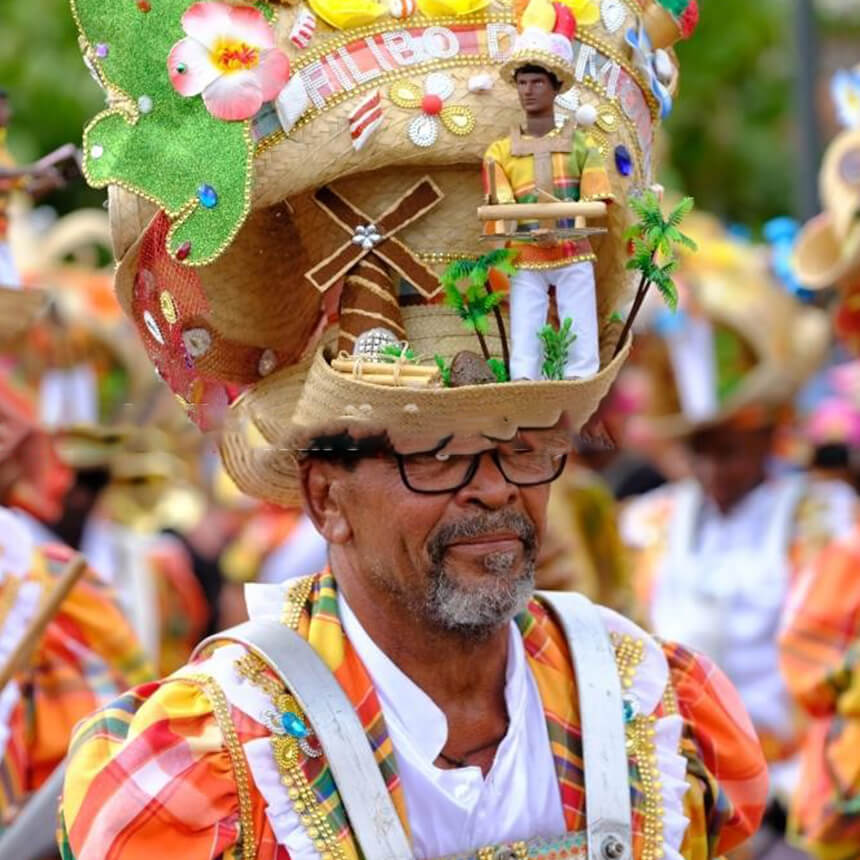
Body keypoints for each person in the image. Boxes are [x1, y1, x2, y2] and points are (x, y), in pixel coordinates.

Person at [59, 0, 768, 857]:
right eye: (436, 453)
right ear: (326, 498)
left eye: (522, 445)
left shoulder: (654, 704)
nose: (495, 489)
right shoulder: (209, 757)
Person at [621, 223, 854, 858]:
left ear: (767, 434)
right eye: (701, 449)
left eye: (729, 447)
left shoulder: (824, 518)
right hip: (677, 801)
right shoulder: (647, 523)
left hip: (794, 804)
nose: (713, 467)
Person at [485, 14, 613, 381]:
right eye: (522, 83)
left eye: (537, 82)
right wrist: (522, 227)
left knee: (580, 324)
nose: (528, 90)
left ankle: (580, 379)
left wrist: (566, 224)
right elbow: (500, 205)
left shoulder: (582, 145)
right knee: (525, 327)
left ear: (556, 87)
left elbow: (597, 200)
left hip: (573, 249)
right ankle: (525, 383)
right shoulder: (499, 151)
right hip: (526, 252)